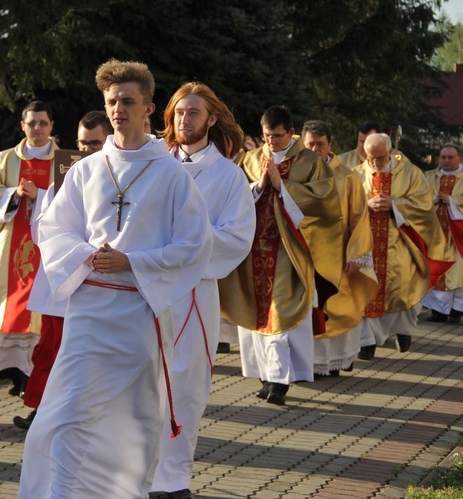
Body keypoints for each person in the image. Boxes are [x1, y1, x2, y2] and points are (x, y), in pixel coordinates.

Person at [19, 59, 213, 498]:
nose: (117, 109)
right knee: (66, 413)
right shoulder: (86, 170)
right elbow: (53, 229)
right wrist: (89, 255)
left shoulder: (171, 175)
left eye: (128, 101)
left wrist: (132, 261)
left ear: (149, 107)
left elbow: (193, 247)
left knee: (132, 419)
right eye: (111, 101)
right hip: (87, 311)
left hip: (137, 313)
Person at [149, 82, 256, 499]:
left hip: (195, 289)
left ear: (211, 118)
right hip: (148, 286)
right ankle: (138, 472)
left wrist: (184, 244)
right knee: (144, 381)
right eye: (178, 111)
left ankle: (173, 480)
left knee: (186, 385)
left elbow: (236, 239)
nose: (183, 119)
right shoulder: (153, 163)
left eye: (193, 112)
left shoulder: (228, 175)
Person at [219, 106, 343, 406]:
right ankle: (265, 375)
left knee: (282, 313)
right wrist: (259, 186)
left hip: (290, 251)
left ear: (291, 133)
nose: (270, 142)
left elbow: (325, 203)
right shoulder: (249, 159)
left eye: (276, 136)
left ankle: (280, 380)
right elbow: (231, 197)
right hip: (252, 250)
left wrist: (283, 187)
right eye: (265, 136)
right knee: (255, 313)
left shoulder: (311, 163)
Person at [13, 110, 110, 431]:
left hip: (102, 280)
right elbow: (46, 227)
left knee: (89, 355)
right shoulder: (68, 176)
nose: (86, 151)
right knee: (50, 349)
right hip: (65, 277)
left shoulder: (121, 177)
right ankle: (41, 410)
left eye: (94, 144)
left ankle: (82, 415)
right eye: (82, 143)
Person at [0, 101, 58, 397]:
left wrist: (40, 195)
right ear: (22, 126)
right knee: (7, 309)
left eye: (43, 123)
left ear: (51, 126)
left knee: (40, 313)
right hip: (9, 248)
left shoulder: (65, 161)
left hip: (47, 249)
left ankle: (32, 377)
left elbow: (75, 199)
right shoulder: (5, 159)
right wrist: (12, 194)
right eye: (32, 123)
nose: (37, 128)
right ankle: (14, 373)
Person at [354, 133, 451, 359]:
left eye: (380, 158)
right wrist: (366, 204)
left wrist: (394, 205)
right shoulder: (357, 174)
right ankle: (367, 342)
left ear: (390, 152)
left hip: (400, 243)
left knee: (401, 287)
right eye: (370, 158)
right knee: (367, 289)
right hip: (367, 246)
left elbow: (424, 205)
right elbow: (345, 205)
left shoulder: (411, 174)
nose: (375, 163)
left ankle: (401, 331)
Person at [301, 120, 378, 377]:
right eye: (310, 144)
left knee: (337, 306)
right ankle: (305, 363)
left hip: (338, 257)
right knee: (305, 307)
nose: (315, 149)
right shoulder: (294, 174)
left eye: (320, 144)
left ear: (330, 145)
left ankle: (334, 362)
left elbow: (359, 218)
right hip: (302, 255)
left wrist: (357, 253)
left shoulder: (348, 177)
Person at [422, 145, 463, 323]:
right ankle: (437, 311)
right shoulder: (429, 177)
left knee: (458, 273)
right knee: (436, 269)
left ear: (459, 158)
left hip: (458, 237)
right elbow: (418, 199)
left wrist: (452, 202)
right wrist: (434, 200)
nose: (446, 161)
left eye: (450, 157)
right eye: (443, 157)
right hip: (435, 235)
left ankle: (456, 311)